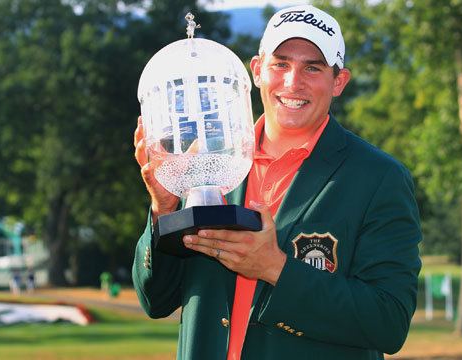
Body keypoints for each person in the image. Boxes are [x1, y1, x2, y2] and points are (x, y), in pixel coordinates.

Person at [132, 5, 422, 360]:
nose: (292, 82)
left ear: (339, 82)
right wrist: (164, 208)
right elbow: (155, 300)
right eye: (280, 64)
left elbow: (388, 323)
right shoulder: (208, 167)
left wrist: (275, 269)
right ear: (256, 71)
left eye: (312, 68)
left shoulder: (378, 178)